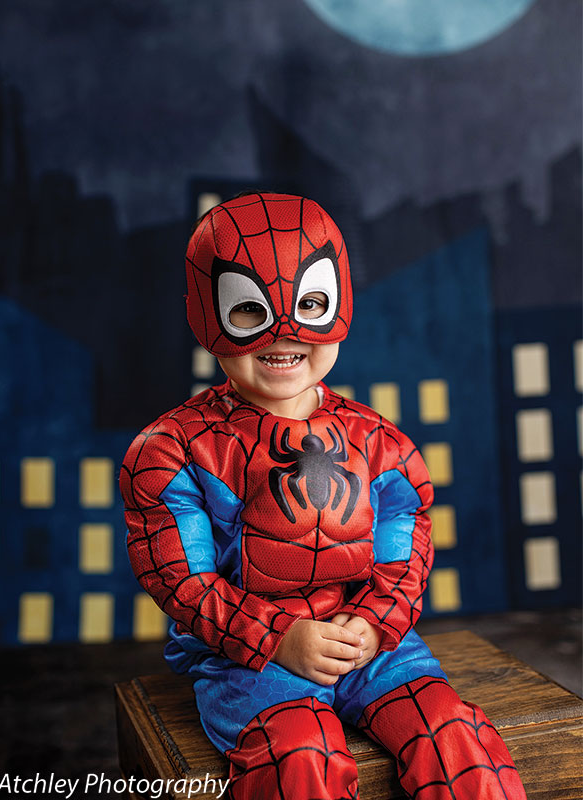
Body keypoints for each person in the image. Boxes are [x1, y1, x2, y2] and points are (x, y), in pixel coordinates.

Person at [120, 191, 526, 799]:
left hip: (371, 644)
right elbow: (185, 581)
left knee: (451, 733)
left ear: (341, 303)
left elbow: (403, 554)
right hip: (248, 659)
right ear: (208, 314)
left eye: (310, 304)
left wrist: (374, 623)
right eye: (251, 313)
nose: (285, 333)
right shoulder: (171, 451)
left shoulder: (382, 444)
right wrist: (277, 638)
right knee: (298, 756)